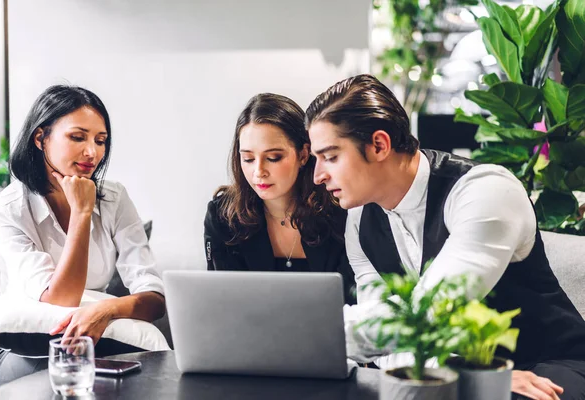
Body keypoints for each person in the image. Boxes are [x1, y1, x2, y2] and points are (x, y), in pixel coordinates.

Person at [305, 74, 585, 400]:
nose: (318, 175)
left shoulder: (484, 191)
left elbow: (431, 311)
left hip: (547, 366)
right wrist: (464, 376)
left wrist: (310, 330)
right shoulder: (359, 221)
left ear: (379, 145)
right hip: (450, 373)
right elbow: (386, 342)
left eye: (331, 157)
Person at [0, 85, 165, 389]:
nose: (92, 152)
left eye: (100, 140)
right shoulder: (9, 207)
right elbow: (62, 298)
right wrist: (82, 213)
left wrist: (106, 310)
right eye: (77, 137)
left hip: (97, 341)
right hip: (23, 348)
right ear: (41, 138)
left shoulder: (114, 198)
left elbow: (154, 298)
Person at [204, 93, 355, 305]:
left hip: (332, 335)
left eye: (273, 158)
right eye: (248, 158)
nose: (259, 171)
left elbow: (353, 300)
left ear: (303, 154)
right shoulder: (223, 217)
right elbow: (223, 302)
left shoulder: (341, 212)